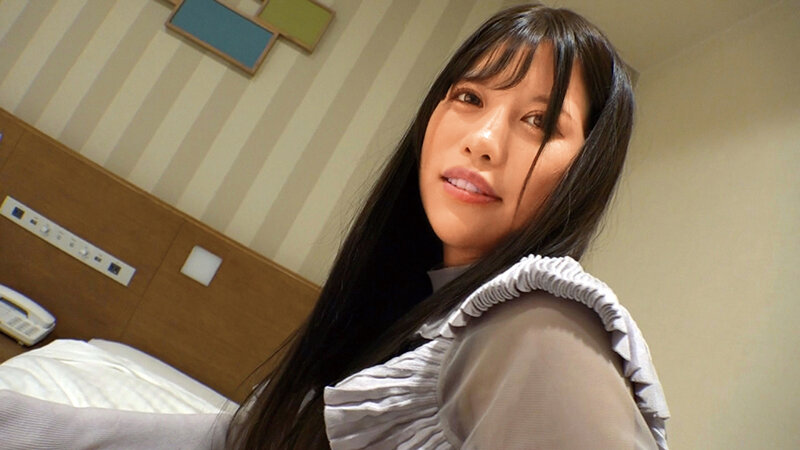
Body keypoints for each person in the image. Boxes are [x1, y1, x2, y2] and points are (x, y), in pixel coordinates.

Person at [226, 3, 669, 450]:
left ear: (587, 170)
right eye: (470, 98)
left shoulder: (541, 330)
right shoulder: (412, 303)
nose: (483, 140)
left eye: (540, 121)